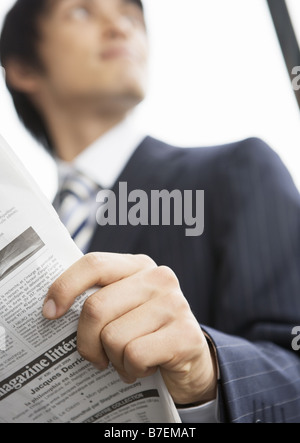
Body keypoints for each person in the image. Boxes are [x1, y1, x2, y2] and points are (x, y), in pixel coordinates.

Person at [1, 0, 300, 423]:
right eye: (83, 11)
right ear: (22, 69)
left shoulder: (239, 170)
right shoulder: (26, 225)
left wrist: (205, 374)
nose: (120, 26)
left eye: (130, 15)